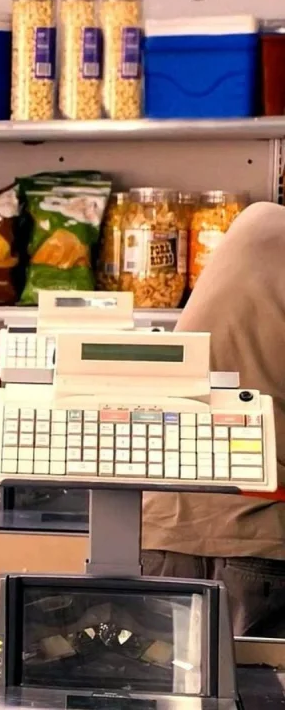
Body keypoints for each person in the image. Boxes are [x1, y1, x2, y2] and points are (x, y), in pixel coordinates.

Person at [142, 201, 285, 638]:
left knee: (151, 674)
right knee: (251, 677)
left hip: (161, 525)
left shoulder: (256, 222)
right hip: (256, 538)